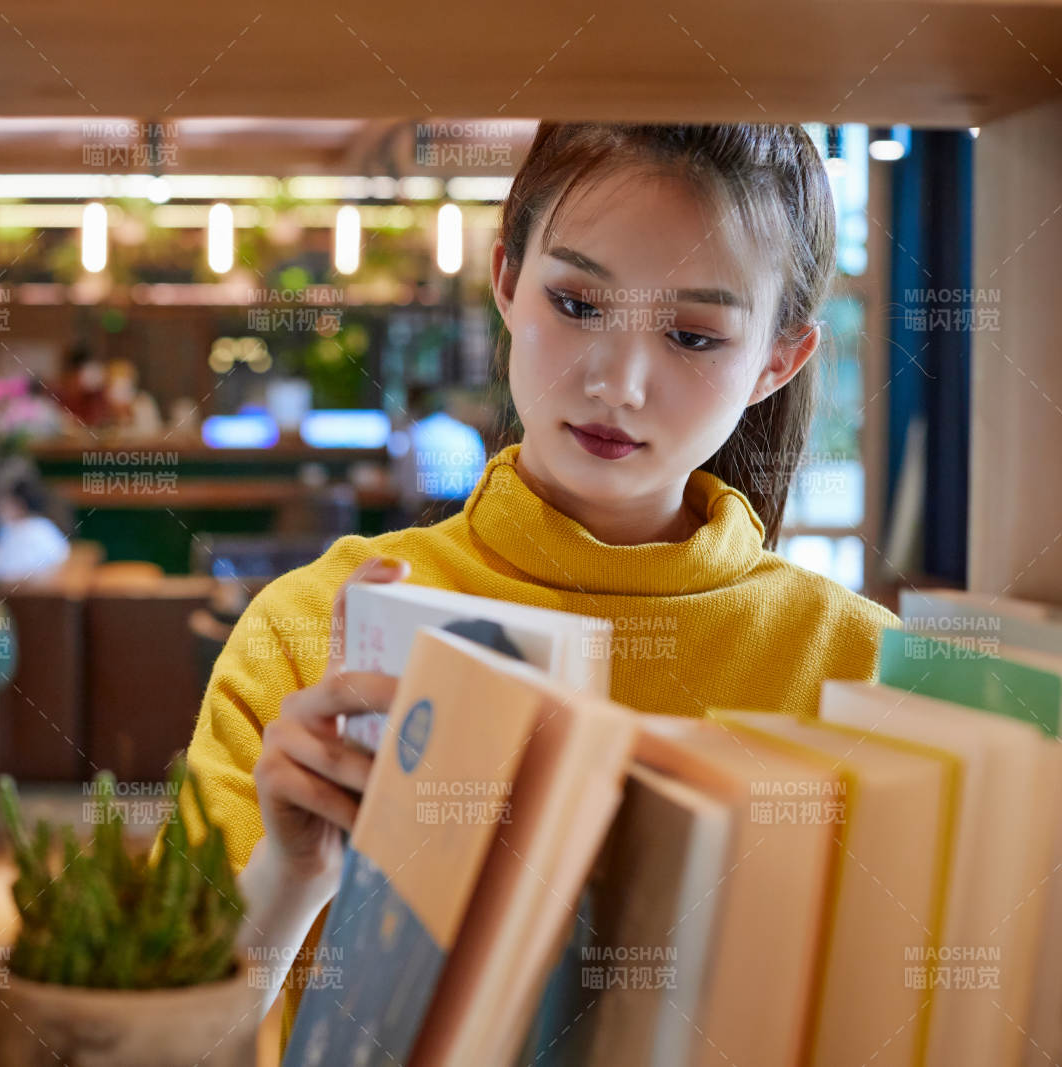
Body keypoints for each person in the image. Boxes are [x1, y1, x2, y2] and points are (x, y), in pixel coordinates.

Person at [170, 122, 906, 1053]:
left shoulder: (860, 669)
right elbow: (161, 1041)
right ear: (508, 283)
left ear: (777, 362)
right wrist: (288, 872)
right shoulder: (319, 625)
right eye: (577, 302)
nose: (617, 381)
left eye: (690, 333)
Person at [0, 465, 69, 583]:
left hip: (27, 593)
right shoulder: (41, 525)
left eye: (6, 503)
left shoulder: (23, 531)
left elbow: (4, 571)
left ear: (19, 505)